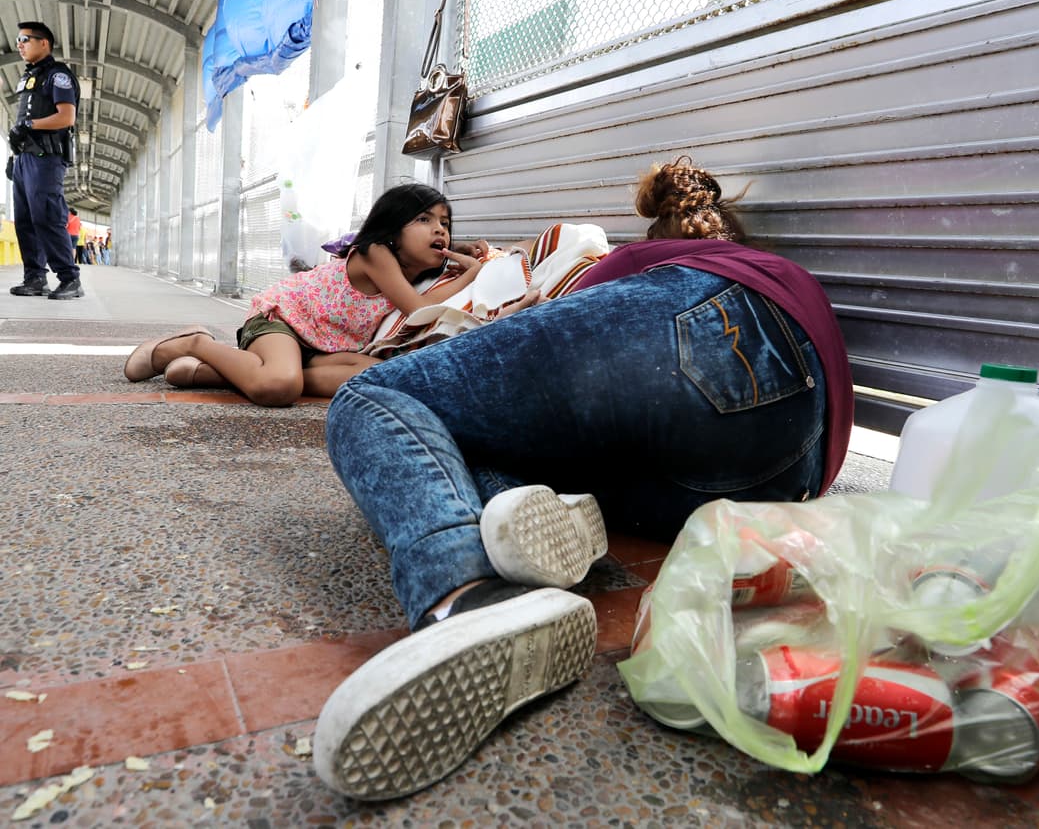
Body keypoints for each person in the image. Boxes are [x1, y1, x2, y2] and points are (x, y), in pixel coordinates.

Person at [313, 157, 855, 801]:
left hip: (684, 323)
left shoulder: (643, 264)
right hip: (785, 467)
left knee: (373, 400)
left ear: (657, 233)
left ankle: (464, 601)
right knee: (503, 443)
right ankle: (538, 515)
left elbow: (551, 347)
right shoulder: (782, 275)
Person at [122, 184, 510, 406]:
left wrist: (469, 254)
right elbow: (421, 310)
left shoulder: (420, 268)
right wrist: (474, 272)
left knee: (373, 374)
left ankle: (211, 373)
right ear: (391, 228)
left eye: (444, 223)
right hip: (282, 321)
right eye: (424, 220)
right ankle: (195, 342)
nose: (438, 231)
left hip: (319, 347)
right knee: (279, 388)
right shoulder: (374, 252)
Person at [7, 21, 82, 300]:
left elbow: (66, 117)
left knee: (46, 216)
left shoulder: (57, 76)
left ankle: (69, 279)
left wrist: (31, 125)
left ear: (44, 43)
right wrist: (16, 155)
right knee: (25, 220)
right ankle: (35, 278)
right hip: (25, 159)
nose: (20, 45)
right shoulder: (29, 77)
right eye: (18, 40)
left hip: (46, 157)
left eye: (25, 39)